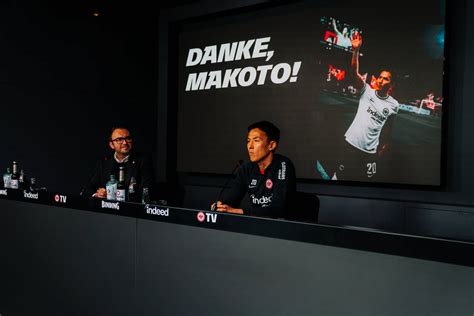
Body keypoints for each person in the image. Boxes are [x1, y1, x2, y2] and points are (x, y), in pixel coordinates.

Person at [340, 31, 399, 179]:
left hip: (370, 151)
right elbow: (354, 72)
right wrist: (355, 50)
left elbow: (389, 126)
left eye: (385, 79)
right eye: (379, 77)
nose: (380, 80)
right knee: (340, 178)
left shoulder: (394, 105)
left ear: (391, 84)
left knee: (366, 181)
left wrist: (385, 144)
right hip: (351, 144)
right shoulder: (367, 91)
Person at [213, 121, 296, 218]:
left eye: (256, 140)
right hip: (256, 225)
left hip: (282, 226)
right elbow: (231, 198)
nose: (250, 146)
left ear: (271, 145)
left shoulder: (283, 164)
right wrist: (221, 205)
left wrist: (237, 211)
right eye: (248, 141)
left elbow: (277, 209)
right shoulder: (246, 169)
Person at [82, 126, 154, 201]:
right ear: (111, 145)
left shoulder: (143, 161)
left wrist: (112, 194)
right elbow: (87, 189)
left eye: (128, 138)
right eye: (119, 139)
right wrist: (97, 194)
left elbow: (146, 191)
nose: (125, 142)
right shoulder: (104, 162)